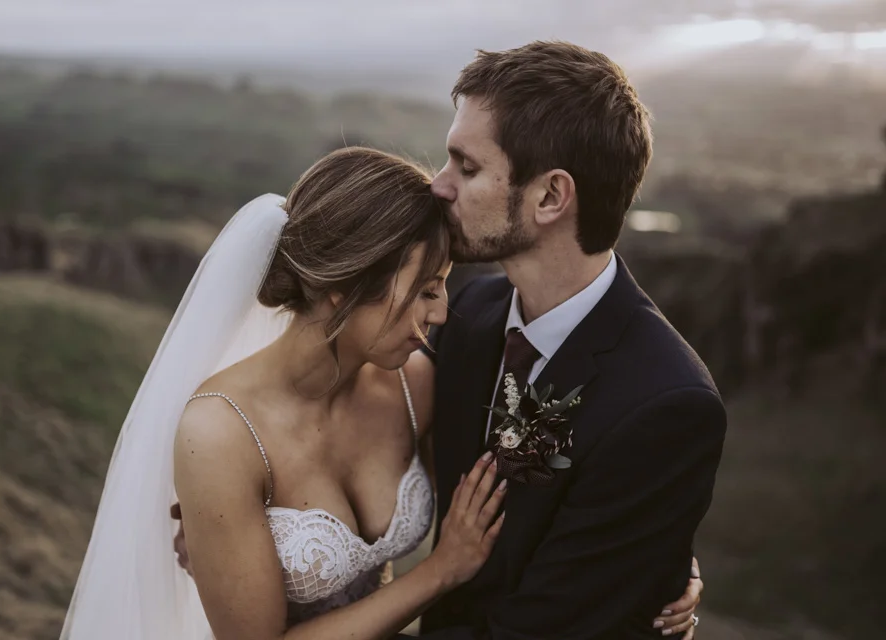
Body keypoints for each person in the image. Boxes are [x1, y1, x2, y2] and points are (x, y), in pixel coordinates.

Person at [62, 147, 700, 639]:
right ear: (343, 287)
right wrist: (439, 570)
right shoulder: (221, 432)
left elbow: (547, 470)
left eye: (445, 285)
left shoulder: (414, 379)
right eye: (425, 289)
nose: (444, 311)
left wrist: (659, 553)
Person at [408, 40, 726, 639]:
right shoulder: (470, 313)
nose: (439, 186)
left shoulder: (665, 405)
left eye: (467, 168)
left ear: (551, 196)